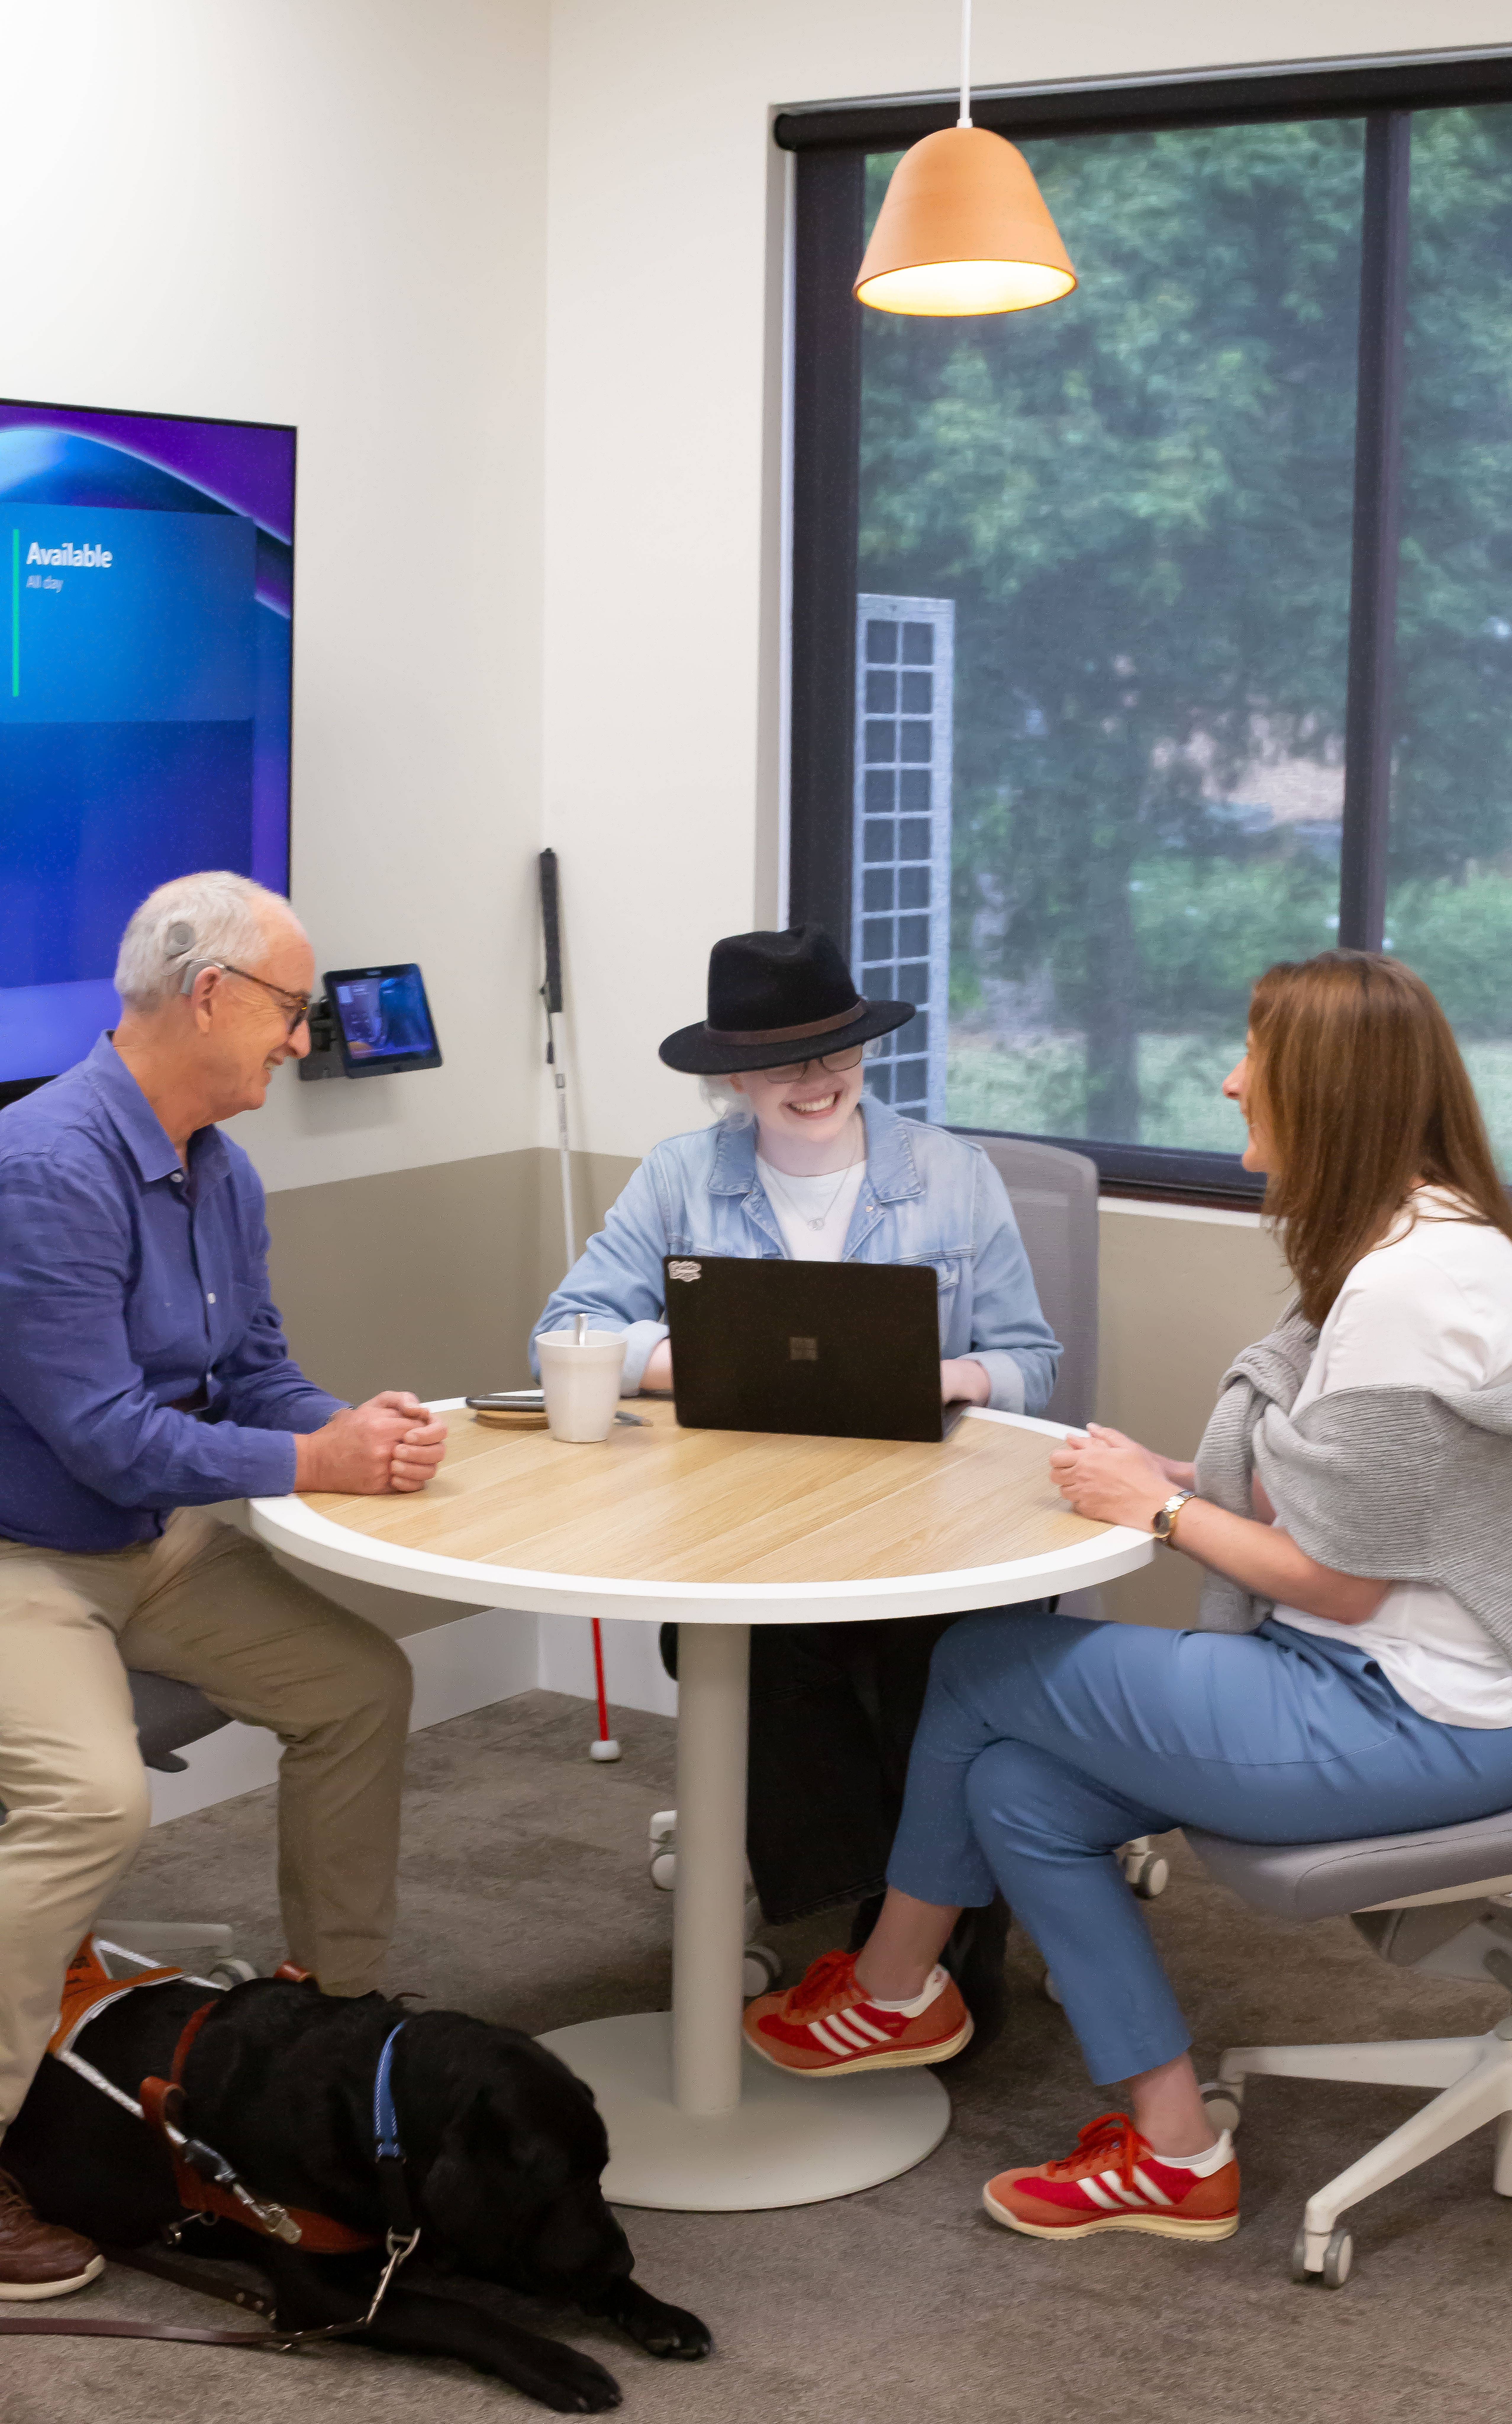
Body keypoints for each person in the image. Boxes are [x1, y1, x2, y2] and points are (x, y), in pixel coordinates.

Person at [745, 950, 1512, 2248]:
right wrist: (1165, 1469)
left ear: (1326, 1092)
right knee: (1018, 1793)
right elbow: (1357, 1508)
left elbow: (1340, 1574)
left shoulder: (1409, 1289)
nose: (1228, 1079)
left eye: (1252, 1058)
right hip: (1394, 1679)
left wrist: (1155, 1511)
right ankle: (1175, 2148)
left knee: (982, 1665)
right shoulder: (1429, 1240)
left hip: (1413, 1710)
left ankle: (890, 1988)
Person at [0, 871, 448, 2300]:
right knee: (92, 1796)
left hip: (151, 1539)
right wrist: (310, 1460)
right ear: (206, 995)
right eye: (289, 1010)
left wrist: (350, 1431)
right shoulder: (45, 1165)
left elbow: (250, 1368)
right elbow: (98, 1428)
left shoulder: (222, 1166)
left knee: (360, 1684)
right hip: (26, 1551)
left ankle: (337, 2013)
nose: (301, 1040)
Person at [533, 924, 1061, 2015]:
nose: (814, 1081)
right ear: (734, 1076)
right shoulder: (682, 1177)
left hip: (930, 1514)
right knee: (747, 1639)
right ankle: (857, 1898)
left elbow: (1033, 1366)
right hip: (743, 1514)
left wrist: (946, 1378)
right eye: (781, 1061)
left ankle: (936, 1952)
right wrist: (707, 1363)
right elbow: (570, 1327)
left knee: (944, 1667)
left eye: (835, 1054)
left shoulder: (953, 1179)